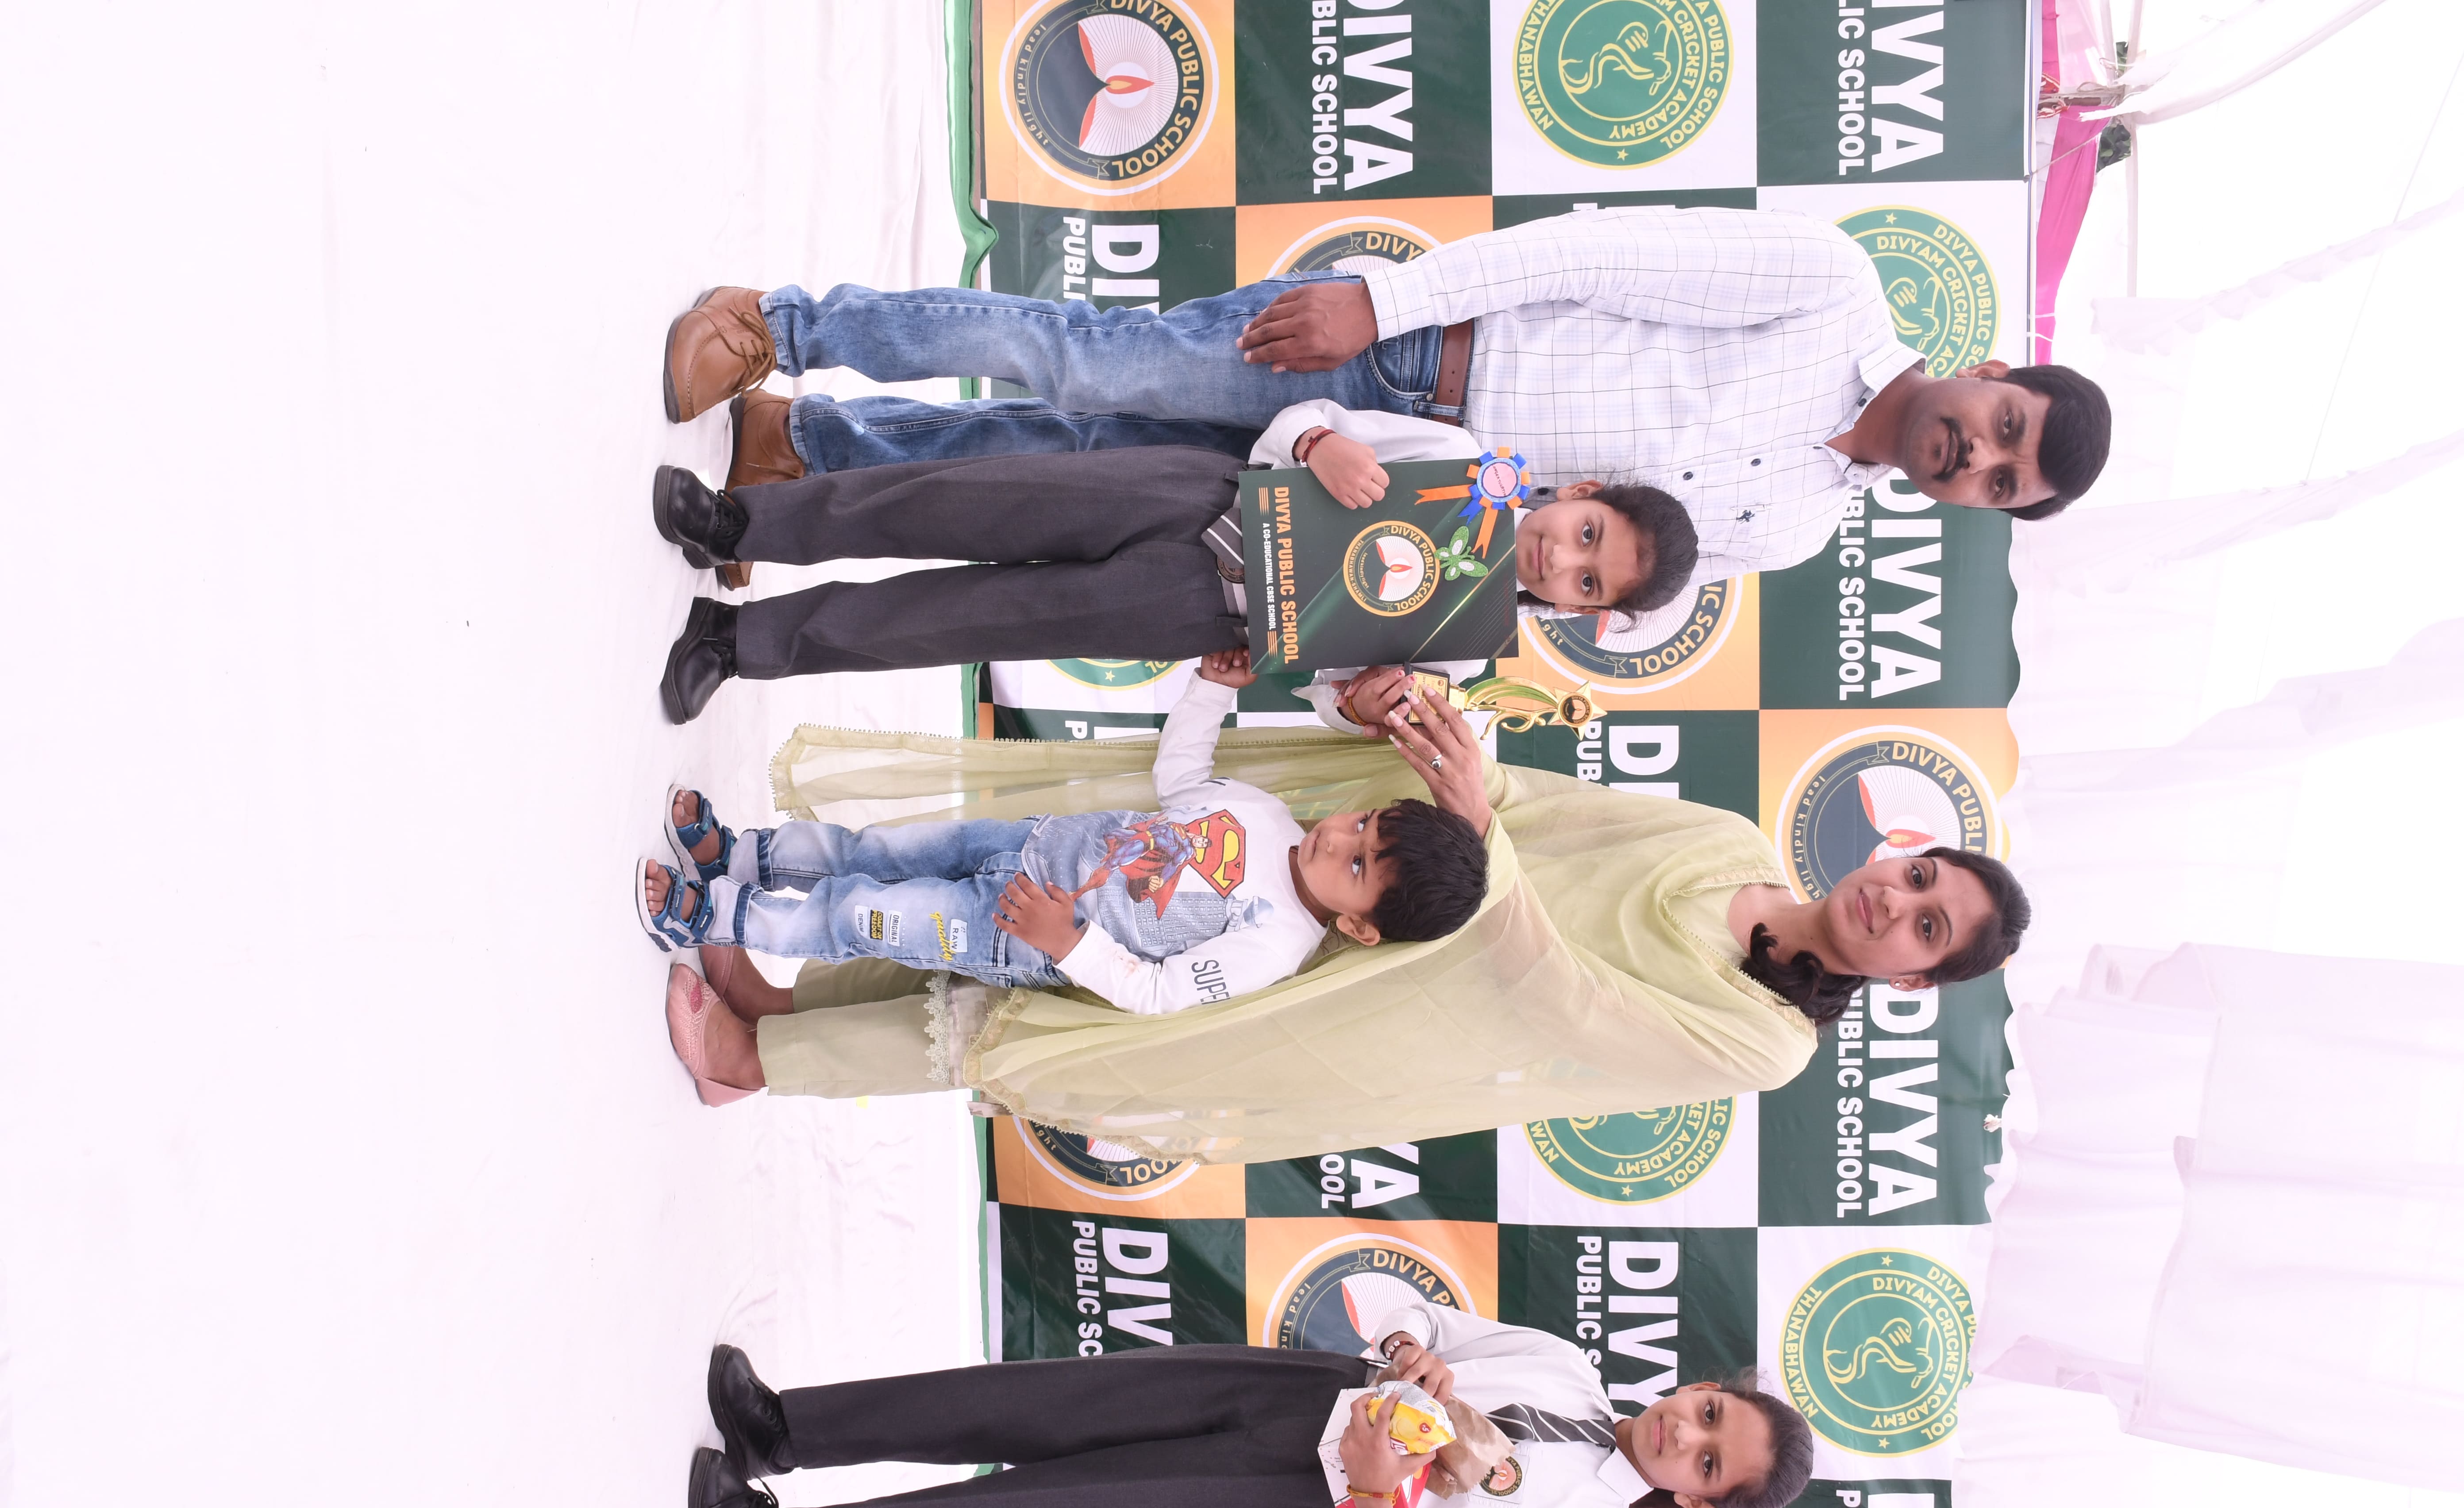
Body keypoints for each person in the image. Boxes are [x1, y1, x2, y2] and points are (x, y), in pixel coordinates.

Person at [663, 685, 2031, 1158]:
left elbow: (1573, 1005)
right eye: (1922, 880)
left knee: (1047, 1015)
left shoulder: (1767, 1043)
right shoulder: (1730, 842)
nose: (1897, 902)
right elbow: (1534, 808)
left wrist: (1479, 844)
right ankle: (785, 1000)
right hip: (1365, 892)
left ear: (1915, 984)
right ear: (1902, 851)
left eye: (1927, 932)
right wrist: (1435, 739)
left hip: (1358, 1002)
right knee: (1042, 905)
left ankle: (750, 1064)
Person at [661, 206, 2112, 595]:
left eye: (2002, 483)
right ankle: (776, 325)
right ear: (1991, 372)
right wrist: (1383, 305)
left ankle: (804, 450)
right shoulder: (1832, 286)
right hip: (1399, 355)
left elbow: (1589, 567)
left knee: (1071, 456)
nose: (1976, 459)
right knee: (1087, 361)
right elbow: (1590, 251)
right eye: (2003, 430)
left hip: (1385, 498)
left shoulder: (1795, 531)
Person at [641, 651, 1488, 1101]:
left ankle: (710, 917)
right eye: (1362, 825)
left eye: (1356, 865)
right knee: (874, 853)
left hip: (1014, 930)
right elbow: (1182, 781)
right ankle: (739, 859)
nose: (1338, 838)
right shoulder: (1270, 818)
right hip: (1025, 843)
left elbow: (1159, 992)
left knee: (860, 913)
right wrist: (1208, 691)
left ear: (1359, 926)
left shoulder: (1274, 946)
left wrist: (1068, 941)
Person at [683, 1295, 1814, 1508]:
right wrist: (1414, 1350)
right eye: (1711, 1408)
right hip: (1298, 1390)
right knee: (1025, 1402)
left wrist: (1378, 1499)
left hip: (1297, 1494)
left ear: (1698, 1505)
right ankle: (788, 1428)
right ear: (1701, 1384)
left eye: (1710, 1462)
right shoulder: (1565, 1366)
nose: (1688, 1431)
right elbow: (1428, 1320)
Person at [649, 398, 1698, 724]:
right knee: (956, 500)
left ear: (1579, 610)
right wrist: (1319, 443)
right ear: (1581, 492)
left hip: (1197, 609)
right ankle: (740, 523)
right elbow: (1310, 418)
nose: (1564, 556)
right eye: (1588, 532)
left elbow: (1329, 689)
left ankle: (740, 643)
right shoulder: (1463, 459)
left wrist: (1360, 703)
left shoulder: (1465, 649)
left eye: (1588, 580)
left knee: (965, 621)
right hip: (1200, 495)